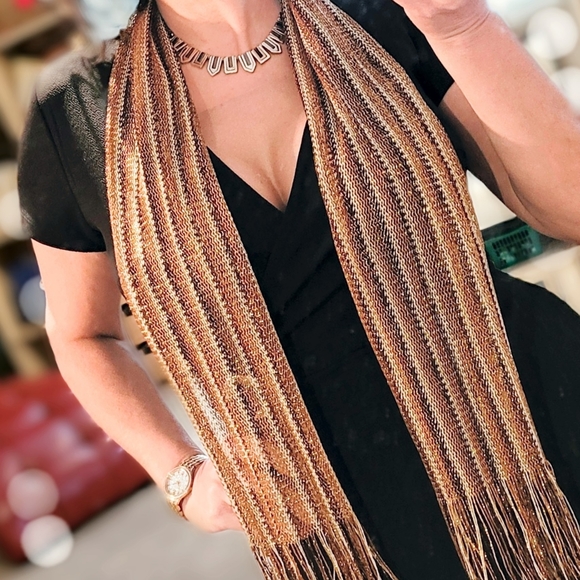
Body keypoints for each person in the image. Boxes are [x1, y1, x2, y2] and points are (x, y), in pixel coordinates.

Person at [17, 0, 580, 578]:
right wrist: (181, 475)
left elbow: (568, 209)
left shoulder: (380, 15)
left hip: (530, 428)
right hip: (335, 522)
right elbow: (82, 334)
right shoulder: (77, 109)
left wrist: (464, 25)